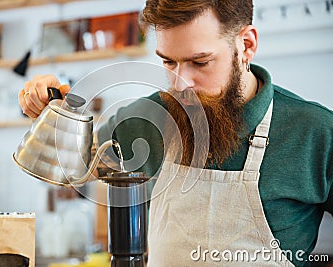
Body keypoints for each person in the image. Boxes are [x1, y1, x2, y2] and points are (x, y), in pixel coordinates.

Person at [19, 0, 333, 266]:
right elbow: (72, 167)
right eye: (169, 62)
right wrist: (53, 108)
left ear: (246, 45)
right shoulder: (148, 118)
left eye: (200, 62)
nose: (181, 83)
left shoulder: (315, 132)